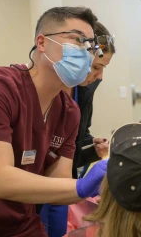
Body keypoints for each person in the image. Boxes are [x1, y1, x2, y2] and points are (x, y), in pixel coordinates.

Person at [0, 7, 108, 236]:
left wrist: (106, 183)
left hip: (20, 225)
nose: (86, 51)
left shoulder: (69, 112)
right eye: (77, 40)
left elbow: (58, 185)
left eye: (90, 45)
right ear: (42, 43)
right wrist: (81, 186)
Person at [38, 22, 115, 237]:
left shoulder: (83, 93)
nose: (99, 76)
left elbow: (72, 141)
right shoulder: (35, 92)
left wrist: (93, 150)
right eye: (96, 67)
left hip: (60, 181)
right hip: (34, 184)